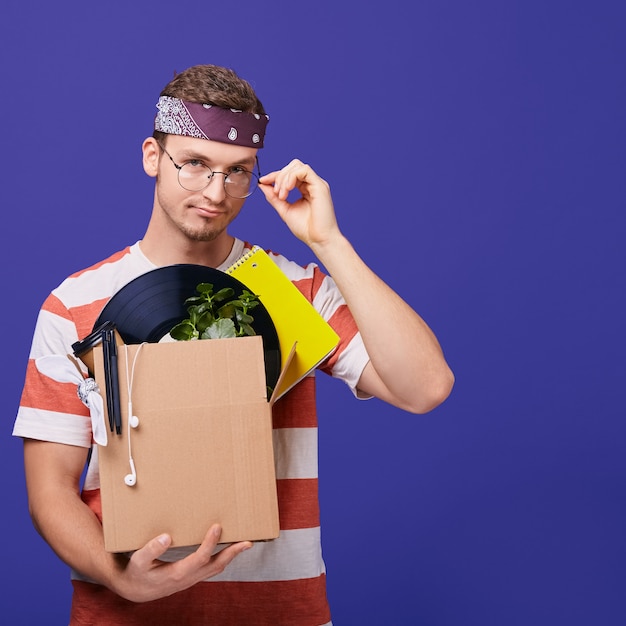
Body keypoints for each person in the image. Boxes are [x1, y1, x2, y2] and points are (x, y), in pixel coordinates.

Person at [13, 64, 454, 625]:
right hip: (125, 614)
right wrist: (118, 572)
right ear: (153, 156)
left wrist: (328, 241)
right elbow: (49, 488)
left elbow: (426, 388)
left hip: (279, 611)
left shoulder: (287, 289)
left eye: (237, 171)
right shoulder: (75, 304)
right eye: (194, 164)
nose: (216, 192)